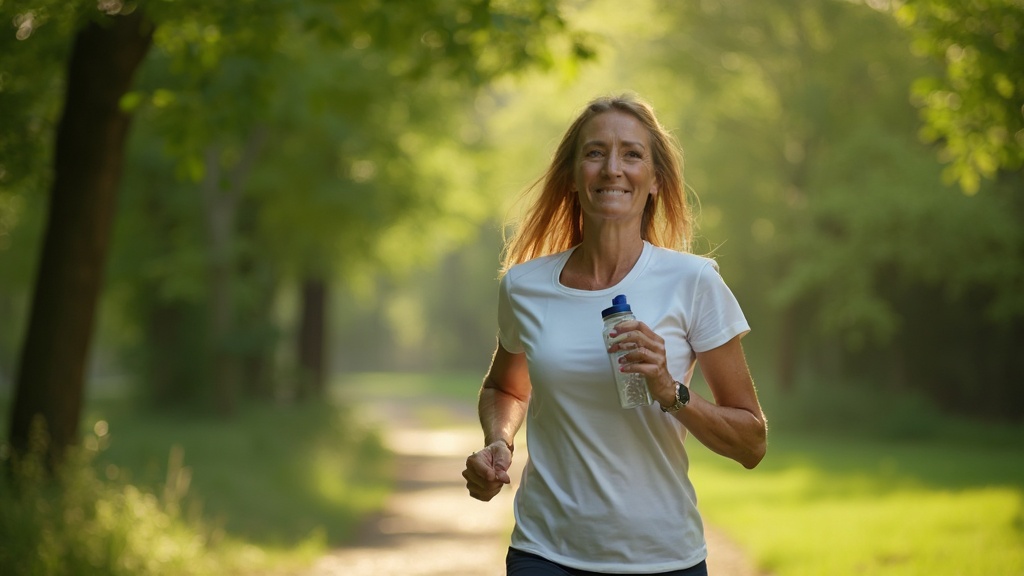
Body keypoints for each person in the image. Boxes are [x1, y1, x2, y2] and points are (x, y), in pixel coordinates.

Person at [462, 93, 767, 576]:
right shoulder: (525, 285)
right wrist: (499, 440)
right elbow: (505, 387)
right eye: (595, 152)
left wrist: (670, 391)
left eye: (632, 154)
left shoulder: (693, 282)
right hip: (545, 551)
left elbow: (752, 443)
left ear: (655, 181)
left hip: (663, 557)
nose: (612, 169)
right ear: (572, 176)